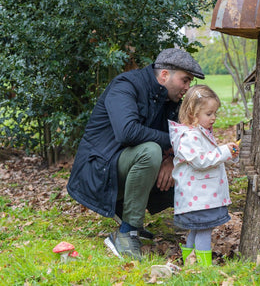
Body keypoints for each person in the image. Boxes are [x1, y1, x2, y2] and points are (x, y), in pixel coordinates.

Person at [66, 48, 205, 261]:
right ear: (165, 75)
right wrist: (171, 145)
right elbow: (127, 132)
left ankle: (136, 218)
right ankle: (126, 232)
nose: (187, 88)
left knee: (188, 159)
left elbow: (189, 136)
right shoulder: (126, 86)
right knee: (150, 152)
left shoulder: (172, 101)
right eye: (185, 80)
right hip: (99, 172)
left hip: (125, 165)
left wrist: (170, 159)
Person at [168, 85, 239, 266]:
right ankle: (204, 267)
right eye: (209, 114)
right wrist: (223, 151)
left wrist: (228, 154)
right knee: (204, 230)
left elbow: (212, 157)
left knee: (197, 229)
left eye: (215, 113)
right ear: (193, 114)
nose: (214, 118)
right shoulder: (189, 136)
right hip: (198, 197)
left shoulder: (200, 133)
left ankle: (190, 262)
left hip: (201, 196)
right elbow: (200, 161)